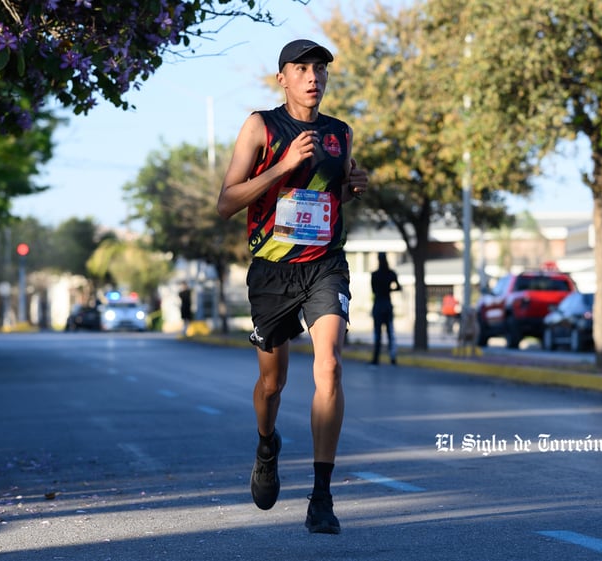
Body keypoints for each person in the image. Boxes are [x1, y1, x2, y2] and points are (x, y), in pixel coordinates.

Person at [216, 39, 368, 534]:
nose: (312, 76)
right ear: (282, 78)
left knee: (330, 366)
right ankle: (266, 444)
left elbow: (330, 193)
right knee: (272, 384)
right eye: (301, 68)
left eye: (320, 68)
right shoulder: (261, 125)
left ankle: (321, 498)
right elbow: (226, 202)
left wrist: (353, 185)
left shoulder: (339, 134)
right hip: (273, 270)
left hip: (325, 265)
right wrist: (281, 167)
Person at [369, 252, 401, 366]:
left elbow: (373, 290)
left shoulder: (374, 275)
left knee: (378, 334)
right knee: (390, 333)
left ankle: (376, 358)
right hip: (387, 304)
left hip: (378, 305)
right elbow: (398, 287)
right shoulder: (391, 274)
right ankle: (392, 358)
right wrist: (389, 290)